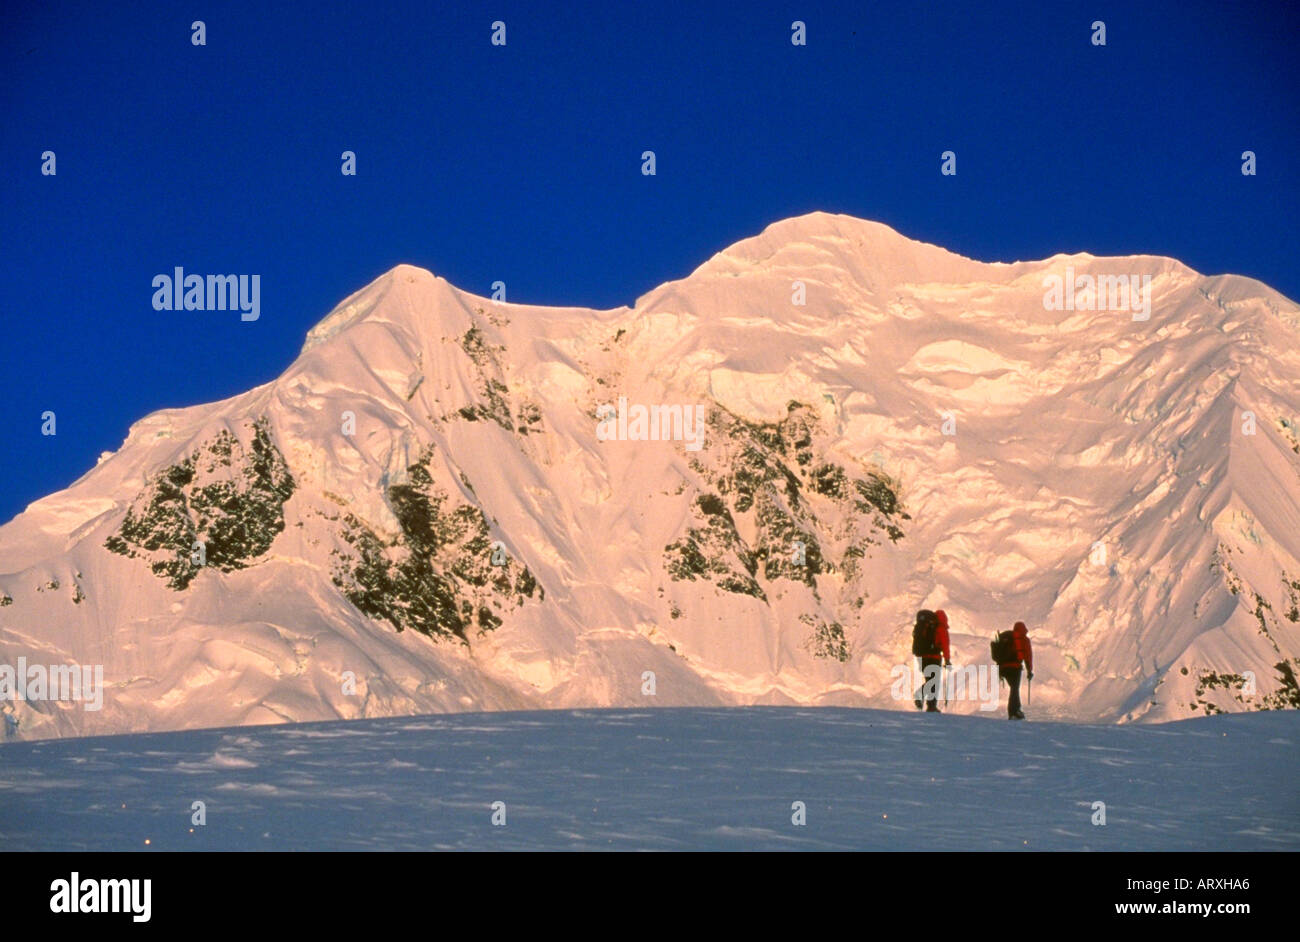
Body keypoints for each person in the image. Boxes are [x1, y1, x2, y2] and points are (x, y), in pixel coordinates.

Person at [912, 609, 951, 713]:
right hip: (934, 657)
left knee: (930, 680)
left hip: (923, 658)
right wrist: (947, 660)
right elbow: (945, 645)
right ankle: (929, 703)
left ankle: (930, 704)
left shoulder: (928, 626)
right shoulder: (941, 628)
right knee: (934, 681)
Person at [997, 621, 1033, 720]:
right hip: (1015, 668)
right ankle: (1014, 712)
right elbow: (1027, 656)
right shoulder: (1024, 639)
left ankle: (1016, 710)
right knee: (1014, 689)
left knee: (1014, 689)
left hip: (1003, 668)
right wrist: (1029, 671)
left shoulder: (1007, 637)